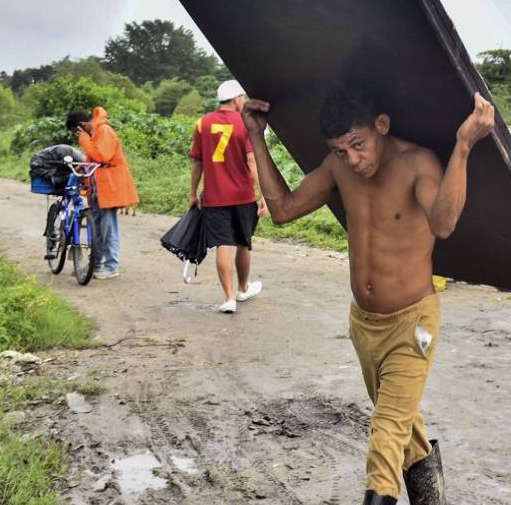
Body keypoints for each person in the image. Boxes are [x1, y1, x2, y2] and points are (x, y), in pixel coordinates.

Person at [244, 87, 494, 505]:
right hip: (364, 326)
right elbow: (284, 210)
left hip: (413, 323)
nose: (353, 159)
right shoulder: (338, 169)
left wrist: (464, 145)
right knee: (401, 421)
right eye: (340, 150)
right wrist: (256, 138)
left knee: (386, 428)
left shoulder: (417, 163)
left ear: (382, 126)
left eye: (358, 144)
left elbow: (444, 223)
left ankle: (378, 496)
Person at [189, 80, 268, 314]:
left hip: (214, 197)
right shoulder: (244, 123)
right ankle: (243, 288)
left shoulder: (202, 124)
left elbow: (197, 162)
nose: (244, 102)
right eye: (242, 98)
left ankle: (229, 297)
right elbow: (252, 160)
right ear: (236, 100)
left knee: (222, 243)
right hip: (243, 195)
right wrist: (262, 194)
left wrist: (193, 193)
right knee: (244, 242)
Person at [66, 108, 138, 280]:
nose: (79, 135)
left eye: (77, 131)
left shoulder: (104, 130)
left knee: (108, 227)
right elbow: (93, 157)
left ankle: (111, 266)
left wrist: (83, 139)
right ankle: (96, 265)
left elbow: (102, 156)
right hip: (98, 186)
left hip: (110, 185)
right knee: (96, 227)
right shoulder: (95, 133)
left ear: (81, 125)